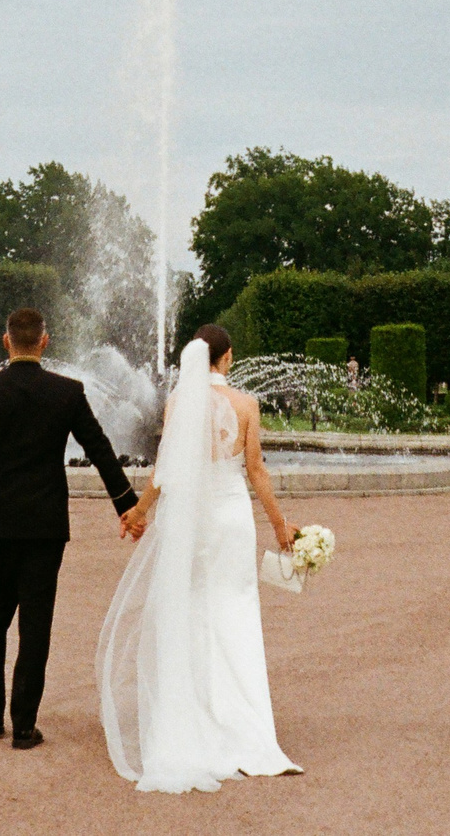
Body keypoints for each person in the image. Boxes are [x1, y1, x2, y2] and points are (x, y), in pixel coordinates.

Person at [96, 324, 302, 793]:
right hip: (230, 520)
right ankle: (242, 725)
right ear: (226, 358)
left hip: (191, 524)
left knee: (191, 611)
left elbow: (164, 473)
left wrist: (138, 512)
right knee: (235, 611)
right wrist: (279, 525)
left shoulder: (177, 404)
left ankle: (192, 715)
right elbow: (256, 471)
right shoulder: (246, 404)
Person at [0, 306, 139, 750]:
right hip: (45, 526)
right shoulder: (67, 392)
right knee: (36, 623)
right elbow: (99, 447)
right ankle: (24, 726)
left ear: (6, 342)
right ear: (44, 341)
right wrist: (127, 504)